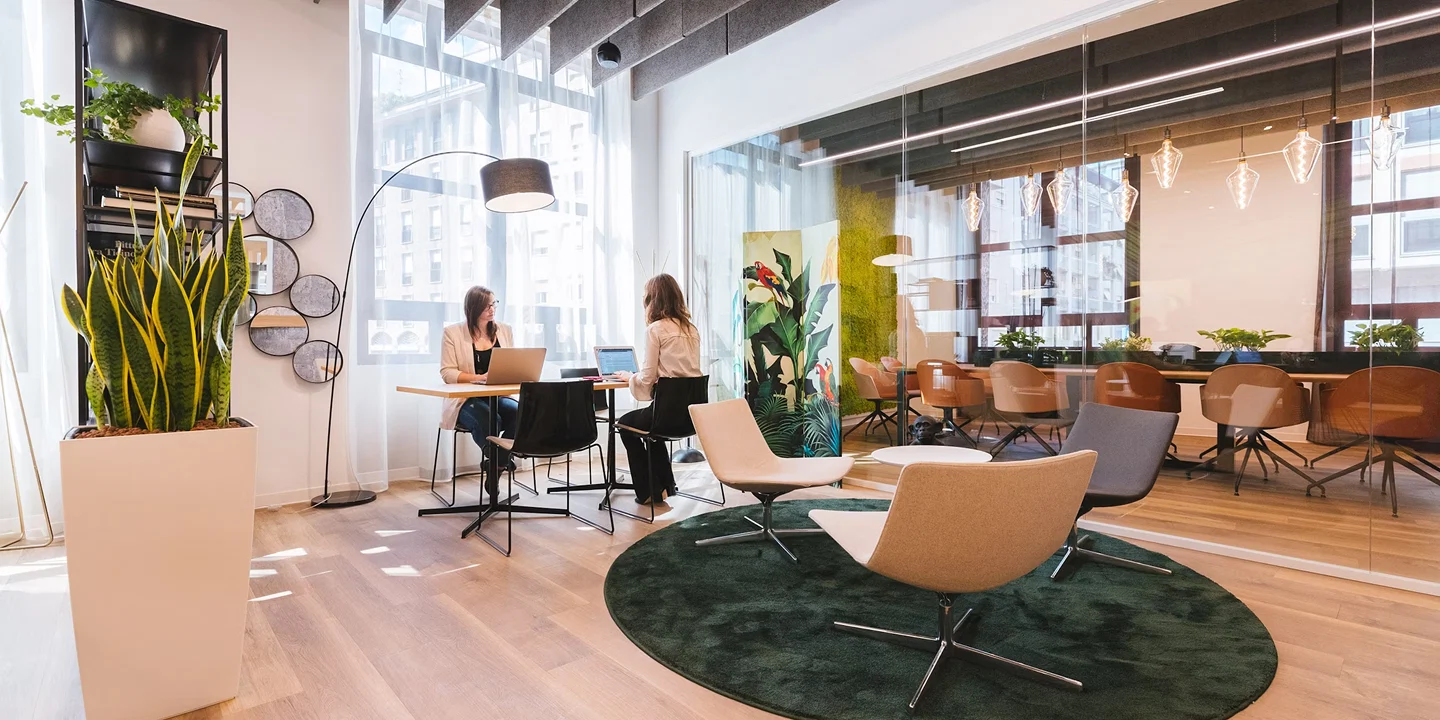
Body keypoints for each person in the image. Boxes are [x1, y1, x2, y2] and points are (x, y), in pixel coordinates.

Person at [614, 273, 702, 504]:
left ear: (652, 300)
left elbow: (647, 378)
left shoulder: (655, 330)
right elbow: (685, 373)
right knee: (653, 430)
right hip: (690, 416)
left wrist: (629, 377)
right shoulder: (691, 330)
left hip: (665, 413)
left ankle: (648, 491)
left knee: (625, 425)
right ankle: (666, 486)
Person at [440, 286, 517, 498]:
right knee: (489, 419)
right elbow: (447, 372)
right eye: (487, 306)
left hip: (499, 395)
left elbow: (512, 363)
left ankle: (495, 465)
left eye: (494, 304)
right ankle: (501, 461)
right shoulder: (453, 333)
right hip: (466, 399)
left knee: (521, 413)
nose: (492, 309)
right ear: (473, 308)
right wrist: (479, 378)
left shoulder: (504, 330)